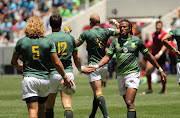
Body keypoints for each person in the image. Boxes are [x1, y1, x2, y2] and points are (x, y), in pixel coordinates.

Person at [89, 19, 167, 118]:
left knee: (129, 101)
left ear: (130, 28)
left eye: (124, 27)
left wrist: (160, 69)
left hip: (133, 73)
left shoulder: (137, 41)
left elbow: (149, 56)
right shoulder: (115, 42)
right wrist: (96, 66)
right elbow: (107, 57)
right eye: (120, 27)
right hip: (121, 75)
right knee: (129, 104)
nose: (122, 29)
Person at [11, 16, 73, 118]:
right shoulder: (47, 42)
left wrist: (20, 67)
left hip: (29, 79)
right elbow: (57, 62)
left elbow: (13, 62)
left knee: (32, 111)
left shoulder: (22, 42)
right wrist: (65, 77)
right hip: (44, 80)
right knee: (41, 109)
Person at [45, 13, 92, 118]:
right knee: (67, 104)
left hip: (52, 74)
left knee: (49, 104)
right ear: (61, 24)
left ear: (50, 24)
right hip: (67, 73)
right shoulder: (70, 38)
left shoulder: (47, 39)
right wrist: (80, 69)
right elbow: (77, 58)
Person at [76, 14, 120, 118]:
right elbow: (119, 32)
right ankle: (92, 115)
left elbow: (75, 44)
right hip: (104, 65)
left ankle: (106, 116)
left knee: (98, 92)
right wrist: (115, 23)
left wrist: (68, 35)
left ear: (90, 22)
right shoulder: (106, 31)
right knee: (96, 92)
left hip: (93, 66)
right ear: (99, 22)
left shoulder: (86, 33)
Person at [144, 21, 167, 94]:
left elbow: (165, 45)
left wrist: (160, 53)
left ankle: (163, 89)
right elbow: (153, 44)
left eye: (159, 25)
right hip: (153, 55)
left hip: (161, 56)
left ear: (161, 26)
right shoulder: (153, 34)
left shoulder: (164, 34)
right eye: (156, 25)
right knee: (147, 70)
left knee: (162, 73)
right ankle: (149, 88)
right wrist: (150, 53)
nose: (157, 27)